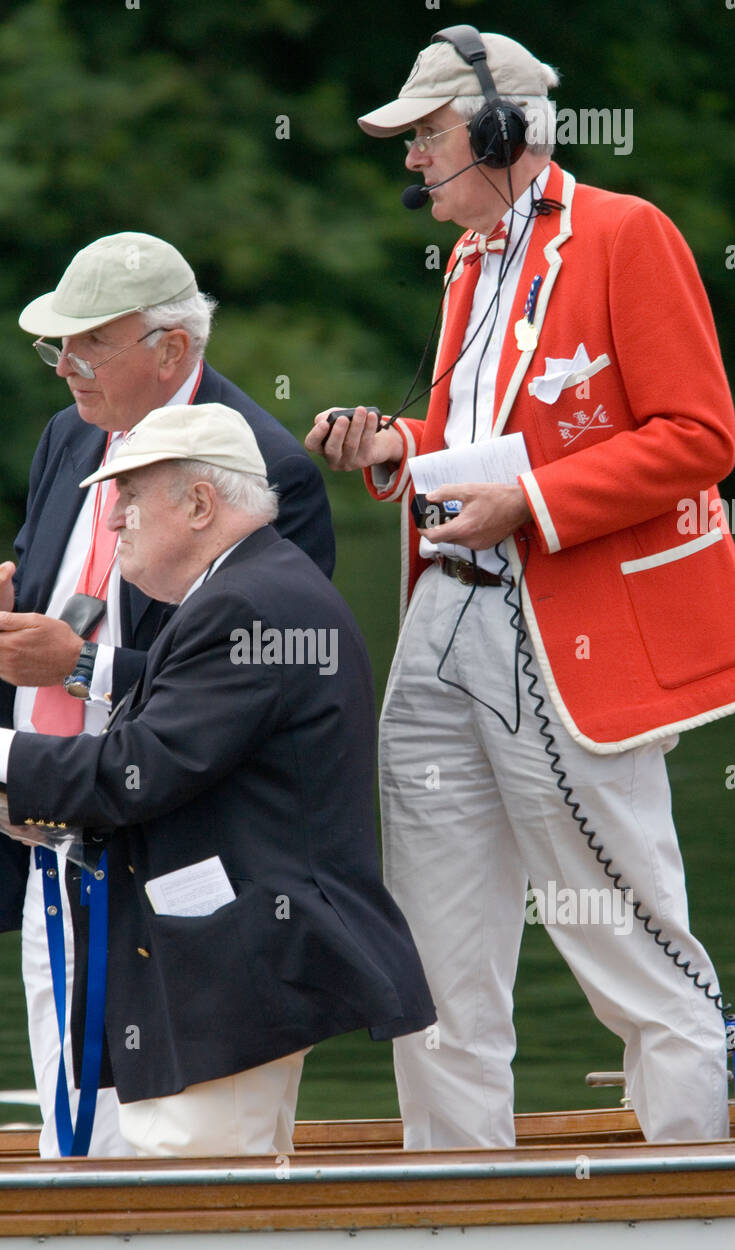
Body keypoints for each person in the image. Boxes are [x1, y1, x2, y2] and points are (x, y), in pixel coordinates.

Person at [305, 26, 735, 1148]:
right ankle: (457, 1212)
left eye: (427, 134)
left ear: (500, 132)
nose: (410, 159)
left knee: (628, 934)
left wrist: (531, 504)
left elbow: (700, 434)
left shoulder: (627, 235)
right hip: (446, 616)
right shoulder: (468, 264)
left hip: (567, 630)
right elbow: (463, 441)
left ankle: (687, 1185)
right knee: (433, 943)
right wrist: (391, 447)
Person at [0, 403, 435, 1159]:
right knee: (213, 1211)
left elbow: (138, 770)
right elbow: (185, 717)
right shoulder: (254, 589)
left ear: (197, 504)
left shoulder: (243, 603)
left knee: (193, 1214)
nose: (113, 518)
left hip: (230, 973)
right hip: (233, 965)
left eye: (128, 497)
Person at [0, 232, 335, 1157]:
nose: (64, 368)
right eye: (54, 347)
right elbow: (52, 615)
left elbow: (259, 687)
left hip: (173, 849)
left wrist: (75, 664)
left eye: (87, 345)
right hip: (43, 827)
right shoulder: (67, 434)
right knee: (70, 1130)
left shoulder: (266, 468)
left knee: (162, 1140)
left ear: (172, 351)